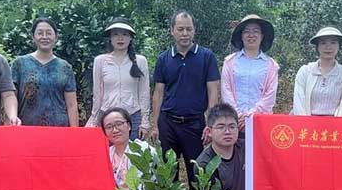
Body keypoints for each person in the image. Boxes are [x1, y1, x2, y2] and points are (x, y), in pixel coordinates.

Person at [150, 11, 220, 181]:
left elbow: (213, 91)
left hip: (195, 124)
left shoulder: (207, 57)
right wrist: (154, 125)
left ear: (194, 30)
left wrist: (211, 124)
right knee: (167, 175)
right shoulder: (163, 59)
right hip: (168, 124)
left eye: (189, 29)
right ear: (172, 31)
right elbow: (158, 93)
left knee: (197, 174)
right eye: (180, 29)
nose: (185, 33)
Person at [85, 19, 150, 140]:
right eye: (116, 34)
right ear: (110, 38)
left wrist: (145, 122)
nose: (120, 38)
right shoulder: (100, 61)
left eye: (125, 34)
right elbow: (97, 93)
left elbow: (144, 93)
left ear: (131, 38)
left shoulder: (140, 61)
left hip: (132, 117)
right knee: (108, 155)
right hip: (107, 116)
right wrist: (94, 119)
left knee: (133, 155)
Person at [10, 17, 79, 127]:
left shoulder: (65, 67)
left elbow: (71, 105)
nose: (44, 37)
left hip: (59, 130)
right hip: (27, 128)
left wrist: (75, 132)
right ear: (33, 37)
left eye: (49, 33)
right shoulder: (20, 64)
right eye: (40, 33)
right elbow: (10, 97)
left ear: (56, 37)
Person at [221, 14, 279, 132]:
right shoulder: (229, 62)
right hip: (234, 123)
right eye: (246, 31)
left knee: (260, 150)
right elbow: (226, 92)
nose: (251, 35)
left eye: (256, 31)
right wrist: (238, 116)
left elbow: (270, 96)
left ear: (262, 36)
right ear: (241, 36)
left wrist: (251, 116)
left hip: (261, 123)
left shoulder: (271, 65)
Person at [293, 27, 342, 116]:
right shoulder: (305, 71)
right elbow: (299, 103)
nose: (328, 47)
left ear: (339, 46)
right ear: (317, 47)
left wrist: (337, 125)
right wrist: (305, 124)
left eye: (333, 43)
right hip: (307, 125)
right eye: (323, 43)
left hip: (335, 126)